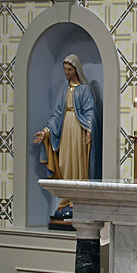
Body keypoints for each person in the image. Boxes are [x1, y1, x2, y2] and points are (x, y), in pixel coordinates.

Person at [33, 54, 101, 217]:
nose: (67, 73)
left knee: (77, 162)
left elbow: (91, 111)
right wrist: (46, 131)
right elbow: (57, 113)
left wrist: (89, 129)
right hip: (65, 129)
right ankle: (65, 200)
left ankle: (78, 200)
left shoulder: (84, 89)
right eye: (65, 69)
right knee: (64, 162)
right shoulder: (65, 89)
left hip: (79, 129)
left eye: (69, 69)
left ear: (76, 69)